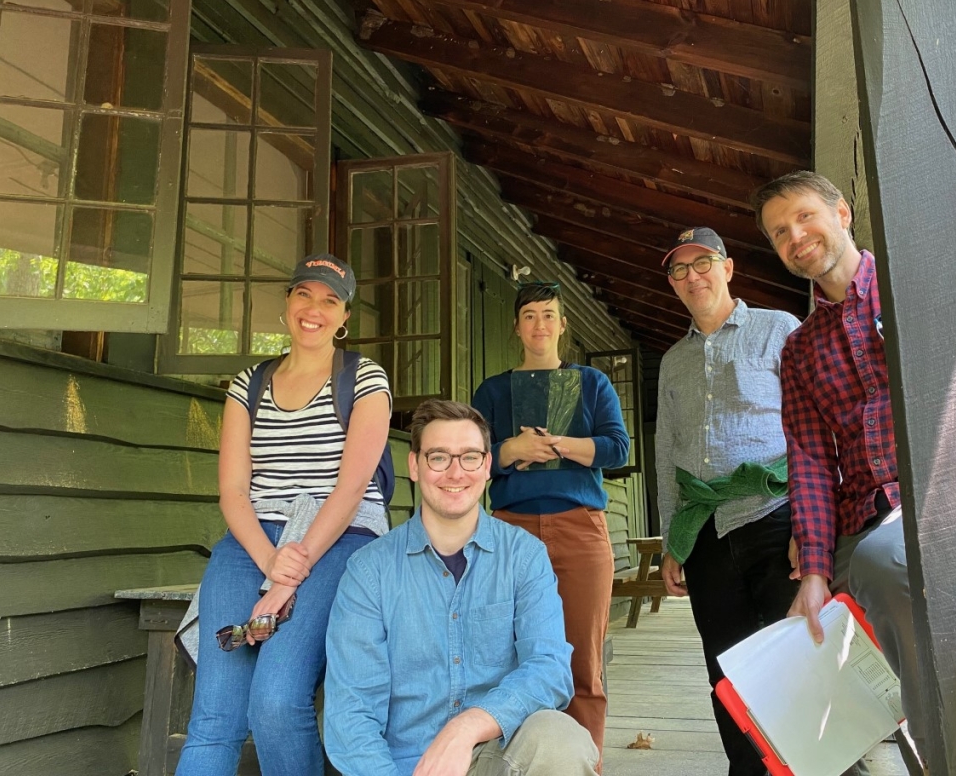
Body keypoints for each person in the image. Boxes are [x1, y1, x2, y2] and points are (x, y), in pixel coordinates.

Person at [175, 253, 391, 776]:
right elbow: (232, 491)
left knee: (275, 700)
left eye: (330, 300)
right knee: (215, 712)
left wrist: (293, 567)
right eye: (304, 294)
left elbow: (351, 486)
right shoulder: (249, 383)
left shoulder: (364, 378)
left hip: (340, 536)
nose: (314, 309)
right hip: (252, 542)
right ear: (287, 304)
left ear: (344, 317)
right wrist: (271, 560)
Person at [752, 170, 928, 774]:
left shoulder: (911, 284)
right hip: (860, 522)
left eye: (805, 217)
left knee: (891, 574)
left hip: (933, 503)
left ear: (843, 214)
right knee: (816, 680)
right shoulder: (799, 349)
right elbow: (808, 464)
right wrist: (817, 573)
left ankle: (931, 732)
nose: (795, 236)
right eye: (780, 232)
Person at [323, 398, 598, 776]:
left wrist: (464, 729)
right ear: (414, 466)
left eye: (469, 457)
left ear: (487, 466)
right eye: (438, 457)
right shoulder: (369, 571)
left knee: (562, 738)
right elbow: (351, 710)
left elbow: (549, 668)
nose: (455, 472)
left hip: (497, 757)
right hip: (404, 766)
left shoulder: (525, 557)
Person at [654, 226, 801, 776]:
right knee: (727, 669)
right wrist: (675, 539)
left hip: (775, 517)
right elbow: (666, 451)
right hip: (706, 531)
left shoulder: (778, 329)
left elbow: (812, 429)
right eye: (679, 270)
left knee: (796, 661)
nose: (693, 277)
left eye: (703, 263)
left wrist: (810, 525)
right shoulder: (672, 361)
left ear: (729, 267)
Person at [470, 281, 630, 768]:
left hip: (580, 525)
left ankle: (584, 763)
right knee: (508, 654)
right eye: (530, 315)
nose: (540, 324)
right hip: (510, 527)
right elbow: (471, 457)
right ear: (517, 327)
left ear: (563, 325)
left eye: (549, 315)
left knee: (583, 656)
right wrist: (509, 451)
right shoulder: (493, 390)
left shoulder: (592, 383)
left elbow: (618, 448)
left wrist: (561, 444)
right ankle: (520, 761)